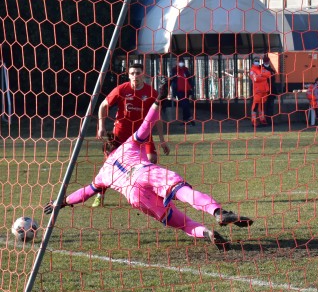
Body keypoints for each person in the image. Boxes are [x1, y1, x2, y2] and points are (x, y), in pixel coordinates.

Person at [46, 79, 253, 250]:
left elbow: (86, 192)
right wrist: (157, 102)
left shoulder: (103, 173)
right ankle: (218, 213)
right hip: (146, 172)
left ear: (105, 152)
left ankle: (206, 233)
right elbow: (146, 126)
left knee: (181, 222)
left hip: (134, 195)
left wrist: (62, 201)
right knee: (183, 192)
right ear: (115, 145)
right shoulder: (127, 145)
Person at [95, 60, 170, 208]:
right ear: (128, 76)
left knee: (151, 159)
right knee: (109, 163)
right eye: (132, 73)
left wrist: (162, 141)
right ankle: (99, 194)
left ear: (143, 75)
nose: (135, 76)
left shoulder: (151, 93)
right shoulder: (122, 89)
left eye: (138, 73)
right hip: (121, 132)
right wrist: (101, 126)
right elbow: (103, 105)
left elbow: (158, 117)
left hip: (142, 132)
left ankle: (148, 192)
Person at [249, 55, 274, 127]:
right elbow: (255, 79)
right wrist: (263, 77)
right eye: (255, 61)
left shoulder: (261, 68)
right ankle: (253, 120)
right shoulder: (252, 70)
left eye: (258, 61)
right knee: (256, 105)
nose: (257, 62)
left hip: (264, 90)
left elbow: (269, 74)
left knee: (262, 106)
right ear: (253, 62)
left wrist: (260, 75)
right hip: (257, 91)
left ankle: (262, 119)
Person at [171, 59, 195, 124]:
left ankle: (186, 119)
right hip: (179, 90)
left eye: (182, 62)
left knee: (185, 104)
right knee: (184, 104)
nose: (181, 63)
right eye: (179, 62)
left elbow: (190, 79)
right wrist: (173, 94)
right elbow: (173, 81)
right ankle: (189, 118)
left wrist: (191, 89)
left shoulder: (186, 70)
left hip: (187, 89)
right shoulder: (174, 70)